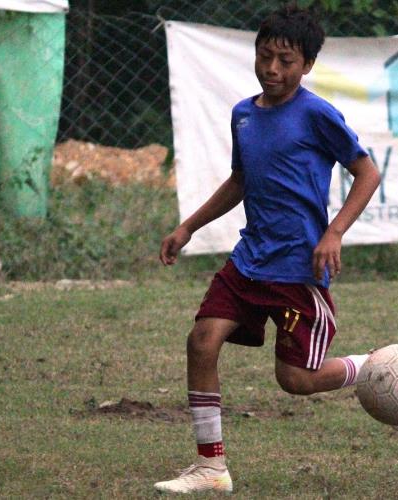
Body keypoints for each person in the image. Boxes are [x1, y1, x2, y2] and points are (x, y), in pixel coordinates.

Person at [154, 4, 381, 494]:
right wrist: (188, 226)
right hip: (249, 260)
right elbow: (241, 180)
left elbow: (367, 171)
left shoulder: (317, 113)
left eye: (286, 61)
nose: (273, 70)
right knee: (201, 341)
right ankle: (211, 468)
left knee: (295, 381)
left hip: (297, 270)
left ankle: (372, 366)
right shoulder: (243, 114)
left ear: (307, 66)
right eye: (265, 57)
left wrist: (334, 232)